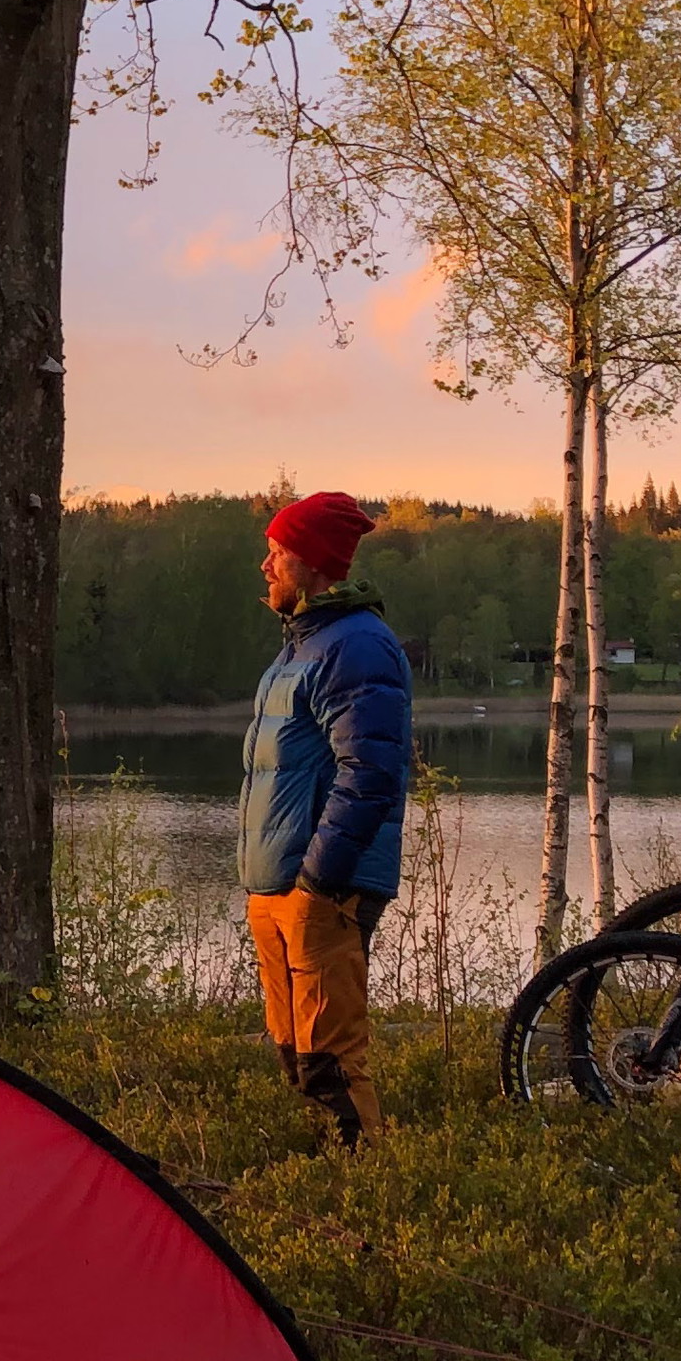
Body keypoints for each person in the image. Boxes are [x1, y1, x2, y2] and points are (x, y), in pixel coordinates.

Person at [238, 490, 411, 1147]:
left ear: (311, 562)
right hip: (277, 885)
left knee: (332, 1059)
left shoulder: (356, 645)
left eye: (277, 552)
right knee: (298, 1056)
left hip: (320, 889)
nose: (265, 565)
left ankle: (372, 1190)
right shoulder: (304, 644)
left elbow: (370, 773)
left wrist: (319, 879)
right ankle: (331, 1184)